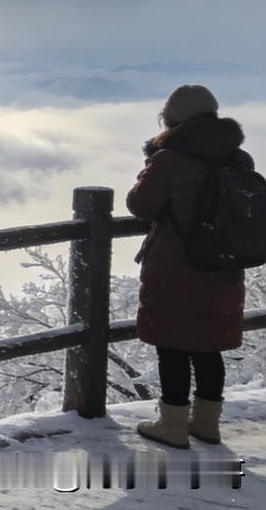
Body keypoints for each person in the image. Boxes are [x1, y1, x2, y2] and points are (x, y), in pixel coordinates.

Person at [127, 85, 250, 448]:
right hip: (223, 265)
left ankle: (172, 425)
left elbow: (140, 206)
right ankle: (207, 425)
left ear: (172, 119)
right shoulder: (238, 157)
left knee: (173, 347)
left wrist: (150, 164)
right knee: (209, 347)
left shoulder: (169, 159)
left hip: (176, 268)